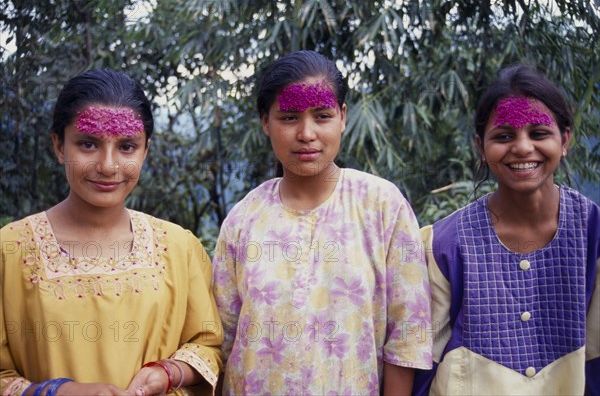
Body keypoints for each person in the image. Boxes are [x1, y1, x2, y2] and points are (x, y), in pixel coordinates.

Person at [212, 50, 432, 395]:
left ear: (343, 117)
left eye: (322, 116)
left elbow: (408, 333)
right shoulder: (244, 219)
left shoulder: (381, 206)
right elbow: (222, 339)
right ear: (265, 121)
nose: (307, 133)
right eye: (288, 118)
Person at [0, 69, 222, 396]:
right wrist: (59, 391)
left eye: (127, 147)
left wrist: (168, 373)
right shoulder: (10, 250)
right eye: (88, 144)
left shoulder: (178, 248)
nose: (108, 165)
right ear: (59, 146)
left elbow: (209, 346)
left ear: (146, 150)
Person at [413, 65, 599, 395]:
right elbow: (420, 361)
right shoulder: (443, 244)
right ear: (480, 147)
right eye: (504, 136)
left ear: (565, 139)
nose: (523, 148)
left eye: (539, 133)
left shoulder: (593, 234)